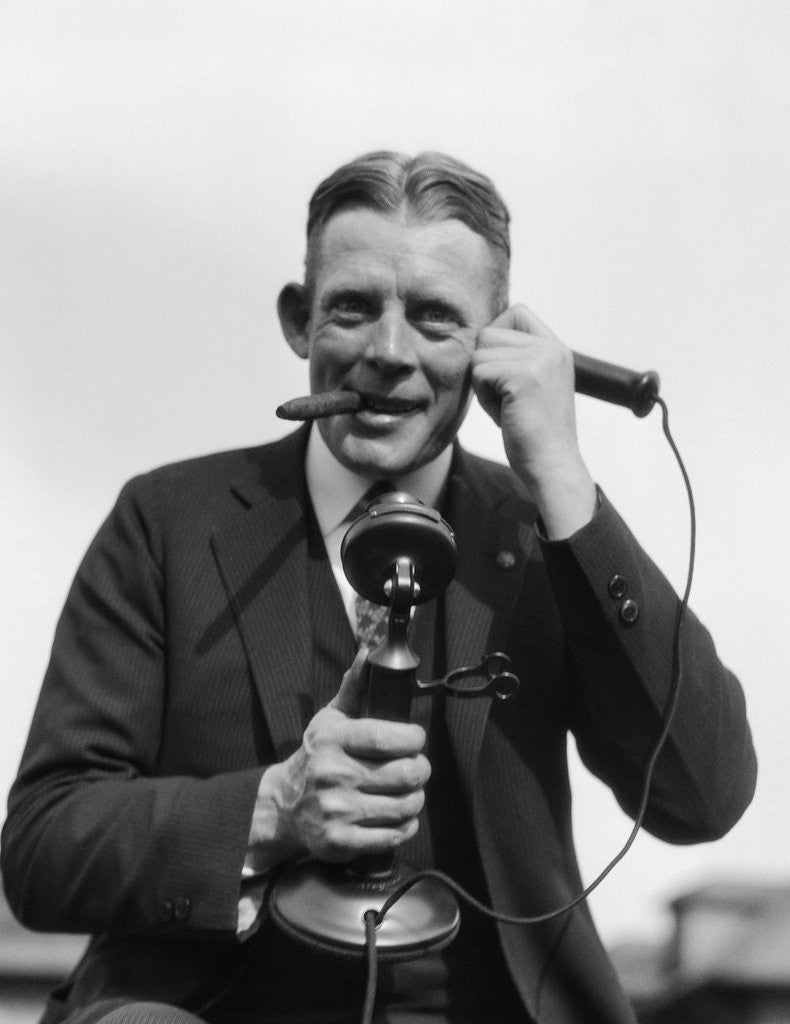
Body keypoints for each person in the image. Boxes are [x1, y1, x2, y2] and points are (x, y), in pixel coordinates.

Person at [2, 151, 756, 1024]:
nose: (389, 355)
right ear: (299, 320)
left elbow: (705, 796)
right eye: (354, 308)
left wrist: (560, 474)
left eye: (437, 319)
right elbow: (43, 847)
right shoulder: (167, 521)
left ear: (497, 345)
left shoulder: (548, 530)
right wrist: (270, 810)